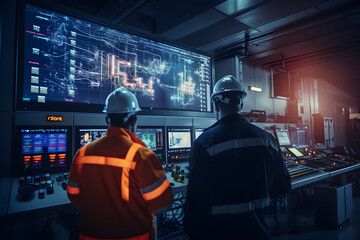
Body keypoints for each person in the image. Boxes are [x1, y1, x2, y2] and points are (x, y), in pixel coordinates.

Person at [183, 75, 291, 240]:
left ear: (216, 103)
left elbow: (196, 200)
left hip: (219, 232)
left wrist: (190, 231)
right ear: (241, 104)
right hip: (258, 231)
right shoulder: (267, 140)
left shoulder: (204, 143)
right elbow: (283, 185)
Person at [67, 87, 173, 240]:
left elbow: (75, 201)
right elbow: (163, 205)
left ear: (107, 120)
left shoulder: (82, 154)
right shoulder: (142, 156)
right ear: (134, 120)